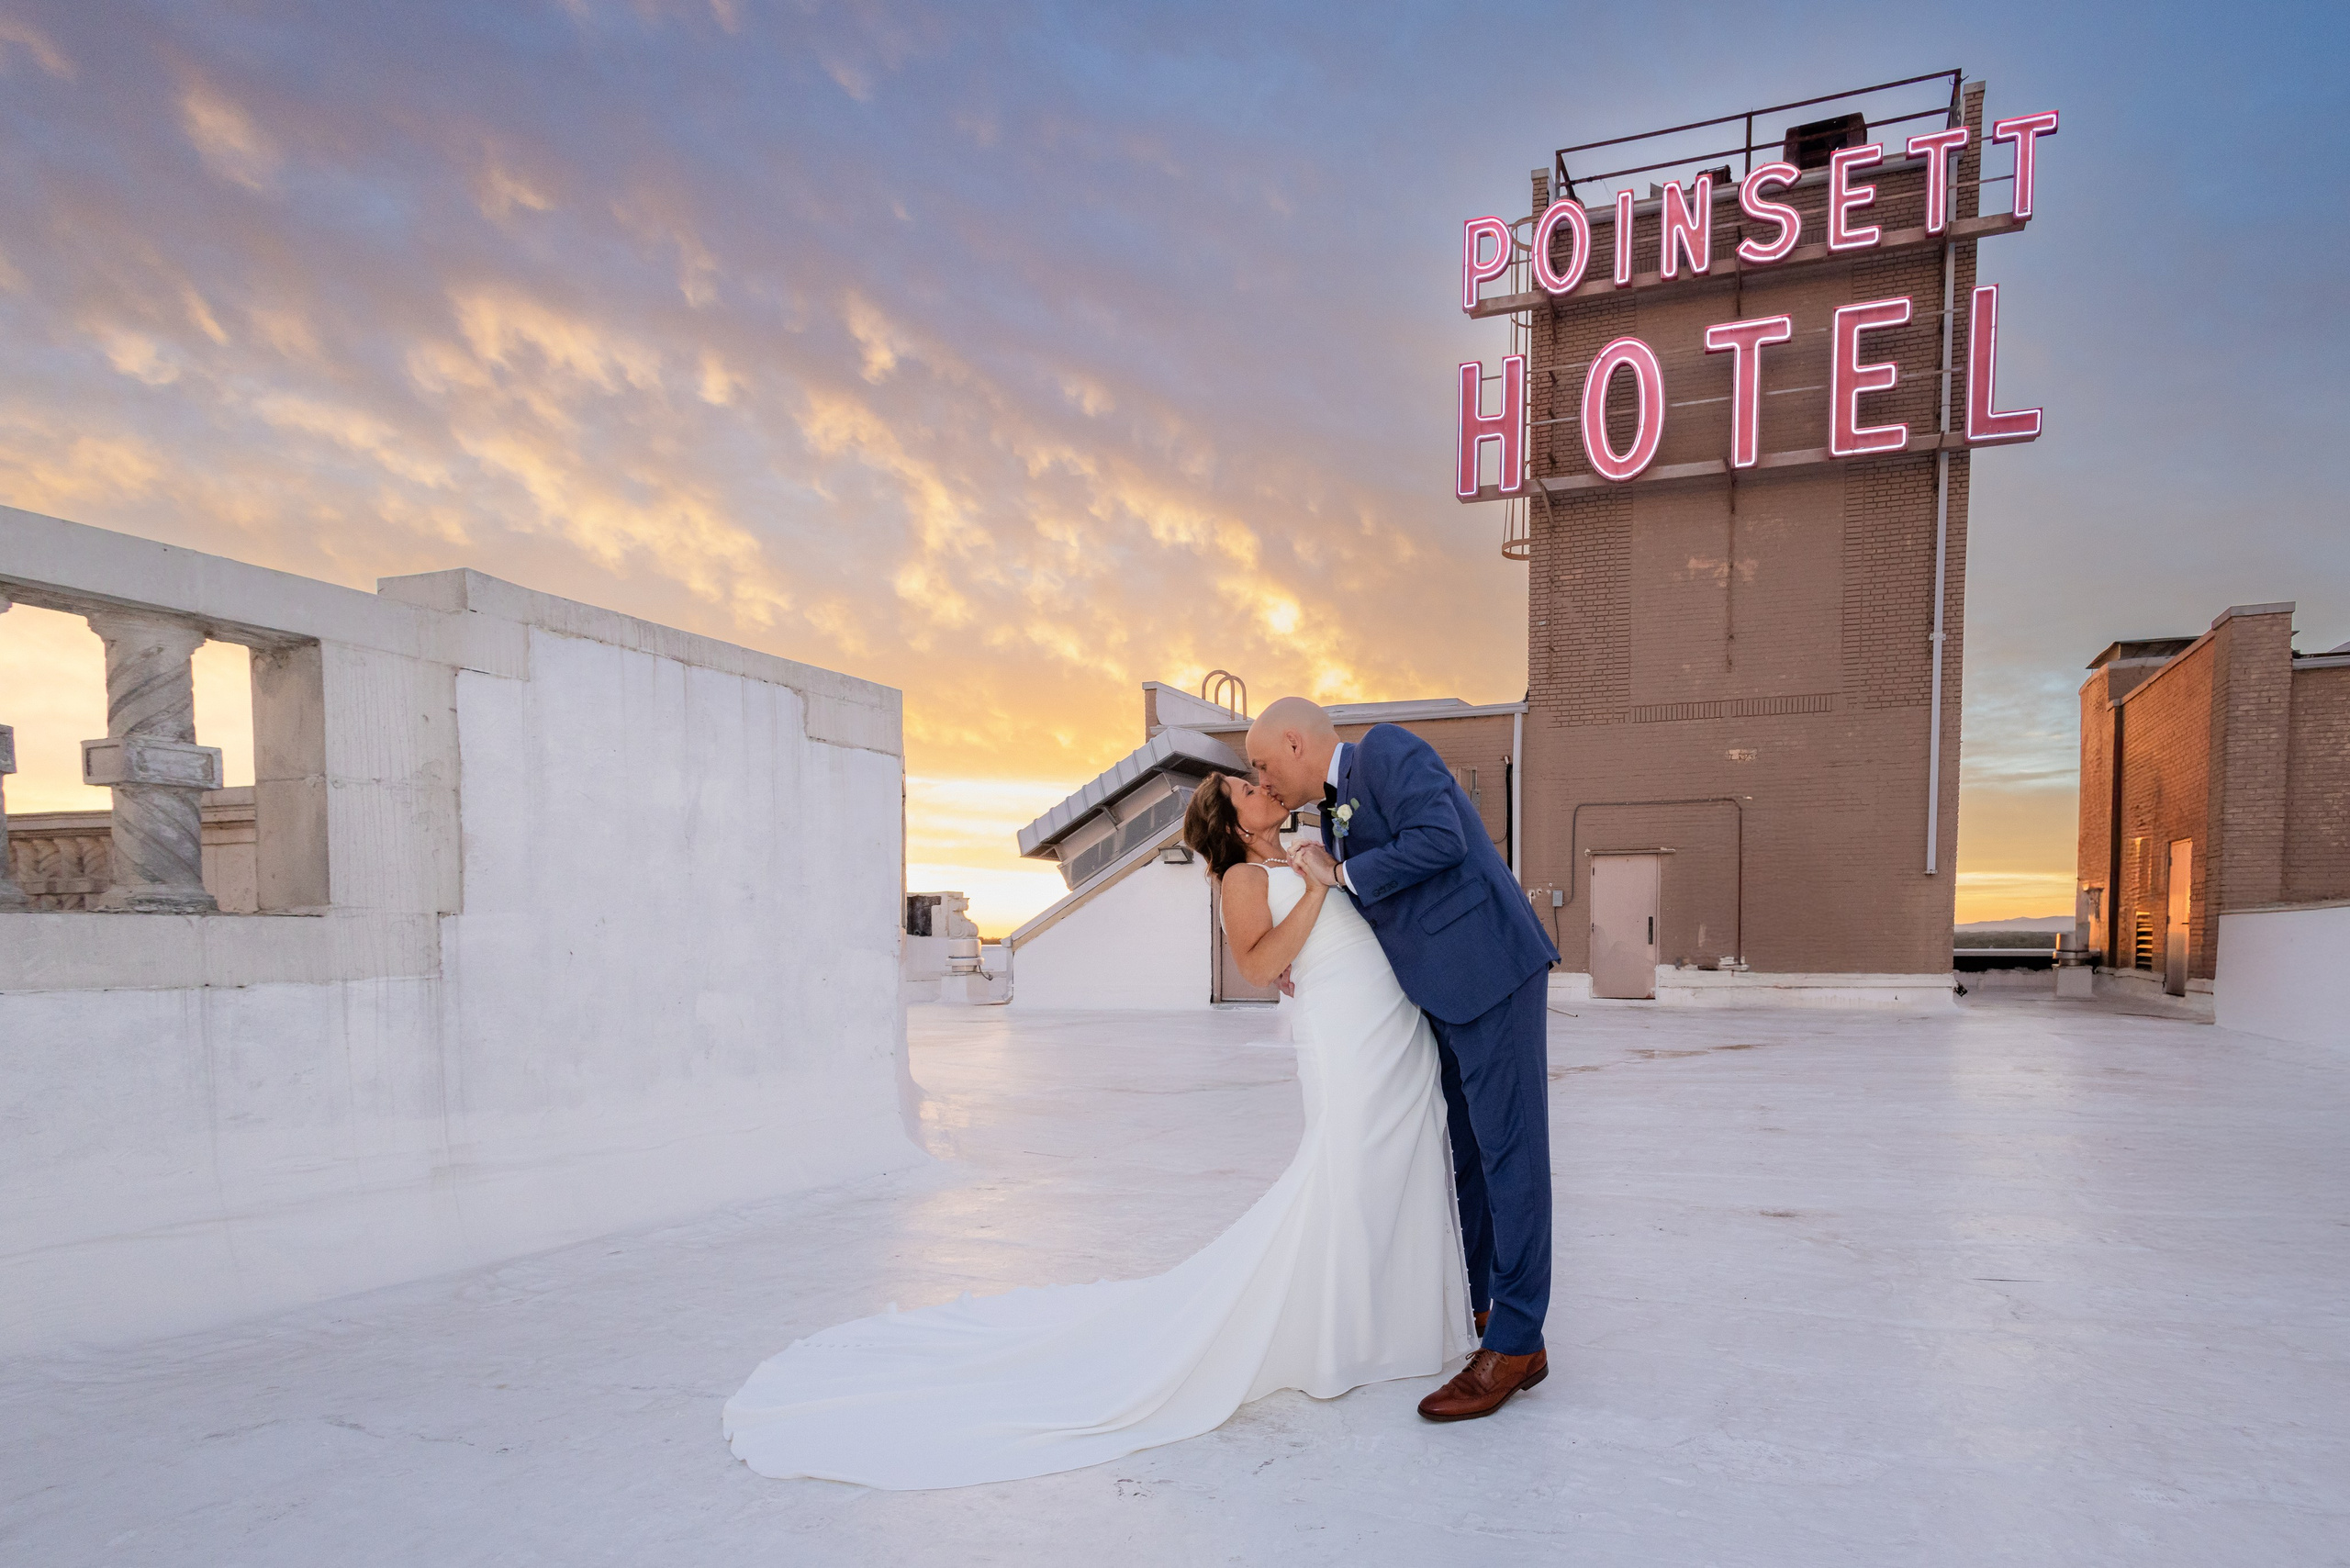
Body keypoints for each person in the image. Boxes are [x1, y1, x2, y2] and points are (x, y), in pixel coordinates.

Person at [722, 767, 1476, 1489]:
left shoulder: (1311, 850)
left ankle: (1396, 1324)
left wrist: (1322, 878)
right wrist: (1312, 895)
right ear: (1231, 824)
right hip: (1345, 1040)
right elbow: (1256, 967)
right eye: (1247, 789)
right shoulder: (1244, 879)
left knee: (1402, 1160)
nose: (1263, 788)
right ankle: (1332, 1335)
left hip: (1391, 1028)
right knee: (1346, 1168)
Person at [1246, 696, 1559, 1421]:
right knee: (1472, 1158)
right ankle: (1486, 1312)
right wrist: (1301, 953)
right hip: (1440, 993)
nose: (1263, 779)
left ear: (1296, 743)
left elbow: (1440, 840)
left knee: (1511, 1153)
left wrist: (1342, 875)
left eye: (1263, 763)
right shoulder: (1332, 814)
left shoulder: (1385, 751)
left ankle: (1518, 1342)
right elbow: (1363, 902)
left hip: (1491, 970)